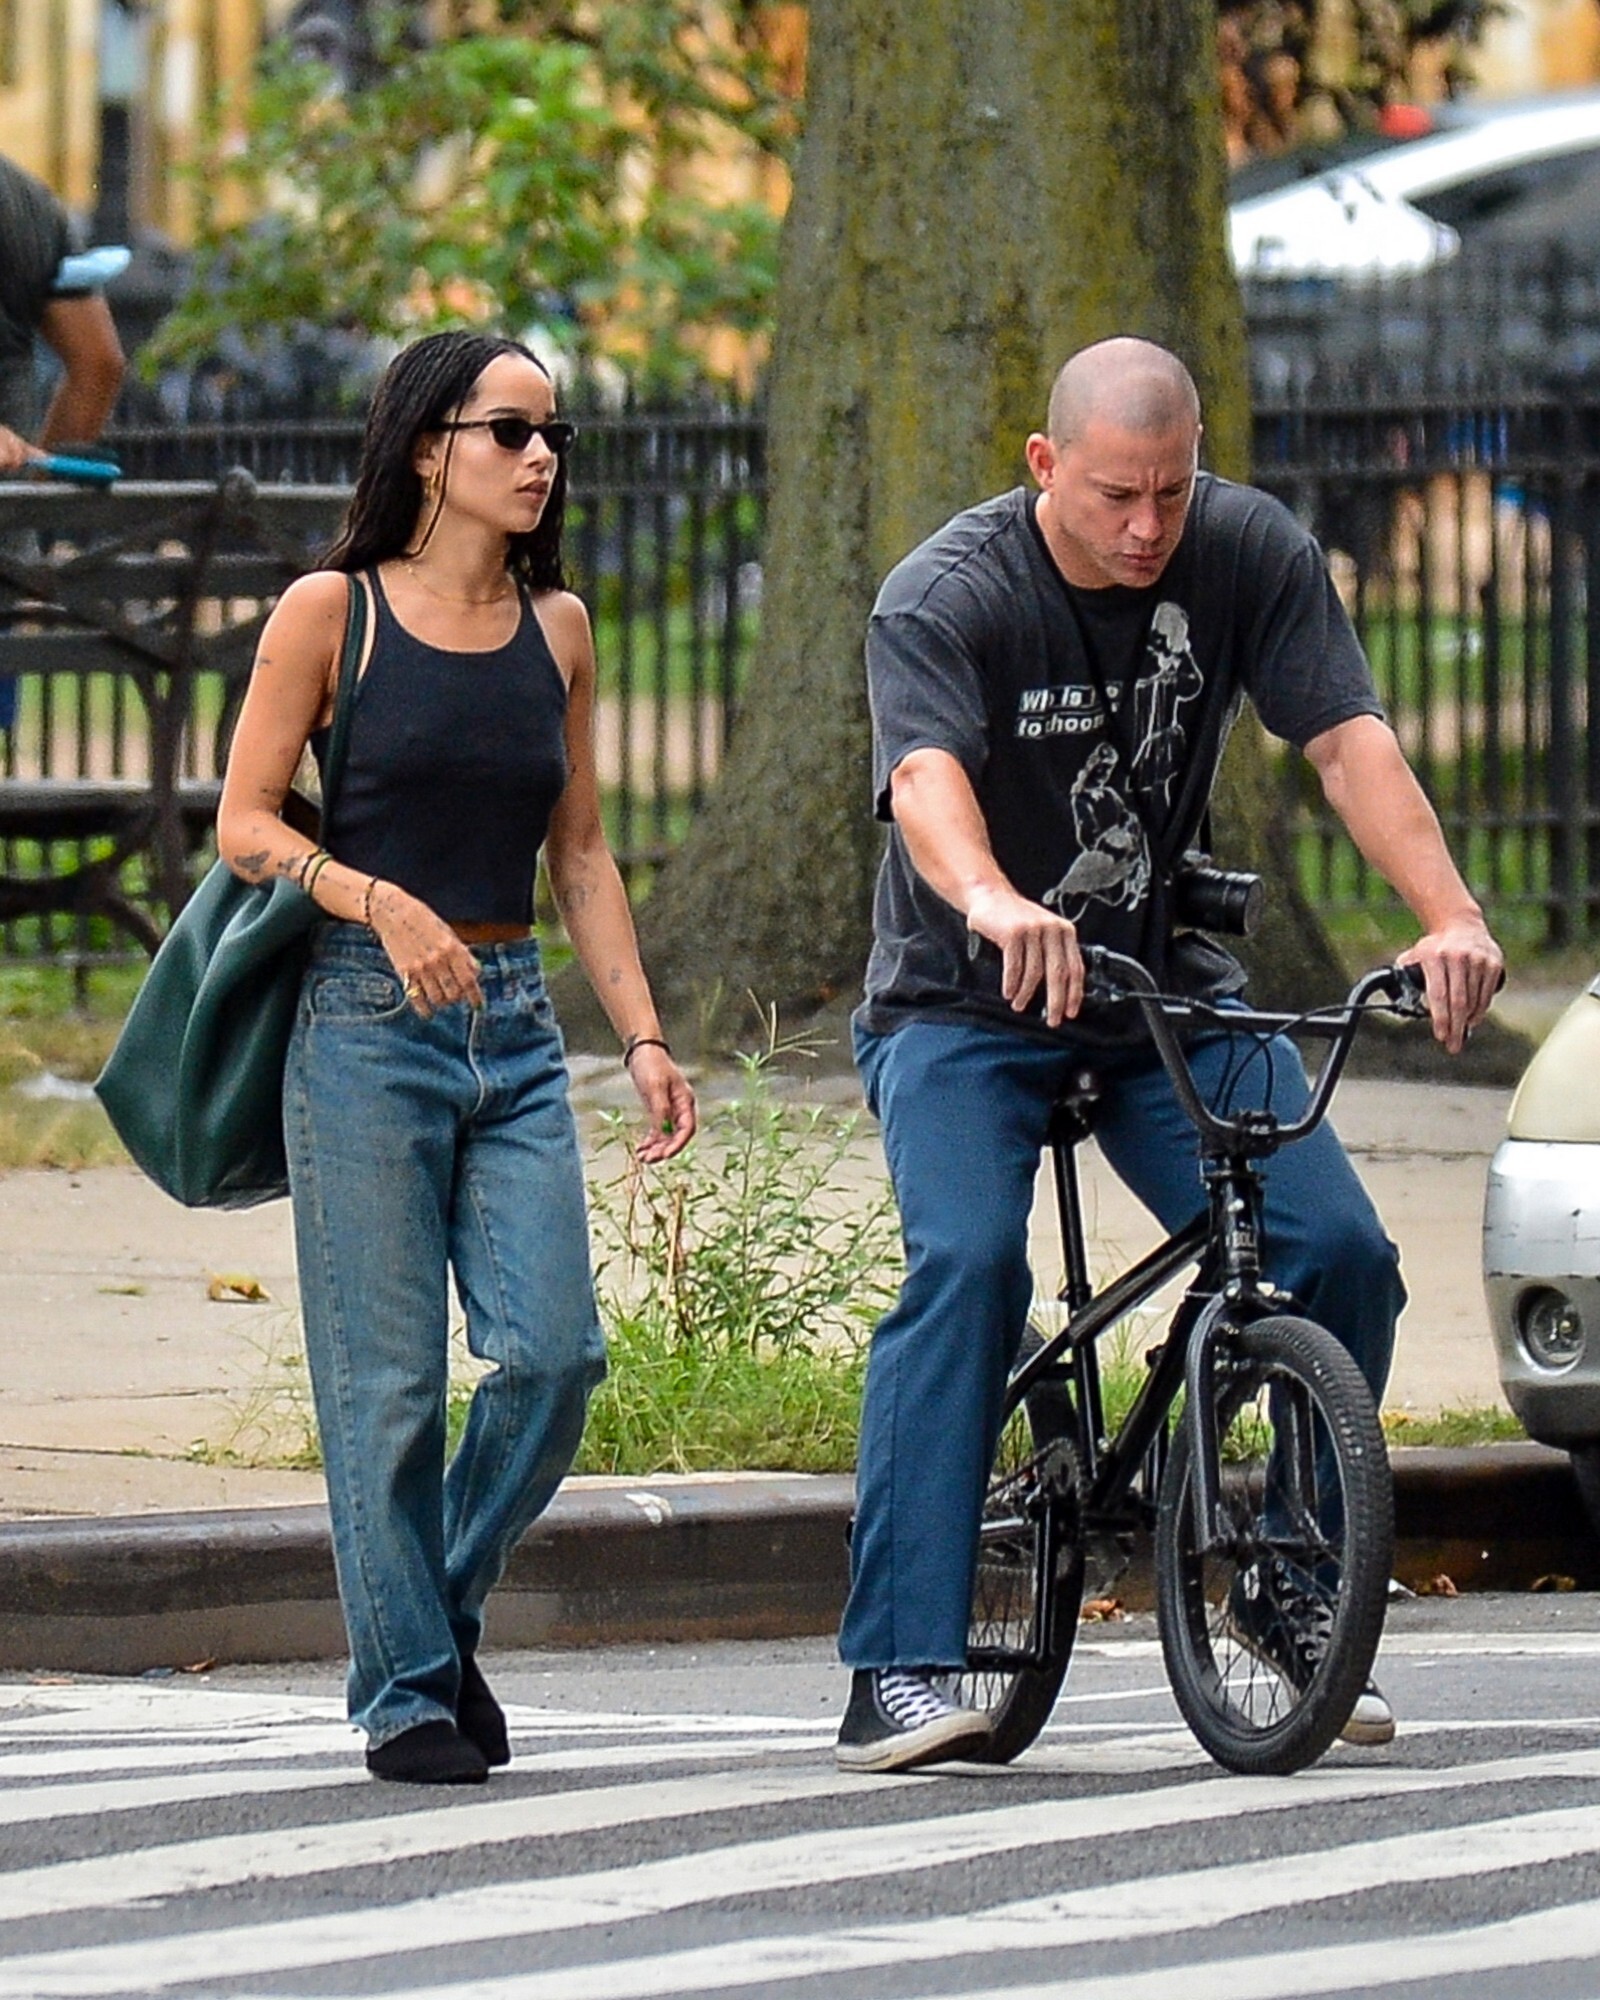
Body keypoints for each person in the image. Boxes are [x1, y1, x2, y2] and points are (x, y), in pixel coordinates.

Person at [837, 335, 1504, 1775]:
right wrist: (994, 899)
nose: (1148, 528)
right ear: (1044, 465)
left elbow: (1347, 742)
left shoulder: (1248, 551)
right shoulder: (948, 593)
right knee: (968, 1266)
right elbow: (926, 778)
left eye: (1172, 493)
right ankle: (897, 1661)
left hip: (1157, 996)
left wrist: (1449, 915)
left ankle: (1287, 1583)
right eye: (1115, 496)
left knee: (1337, 1249)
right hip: (961, 1001)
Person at [217, 328, 695, 1785]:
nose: (540, 458)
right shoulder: (333, 614)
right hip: (363, 1024)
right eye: (509, 432)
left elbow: (583, 854)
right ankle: (409, 1694)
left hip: (516, 1025)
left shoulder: (562, 632)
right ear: (429, 448)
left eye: (553, 436)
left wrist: (643, 1034)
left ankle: (429, 1615)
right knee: (389, 1392)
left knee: (555, 1357)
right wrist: (373, 897)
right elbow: (244, 824)